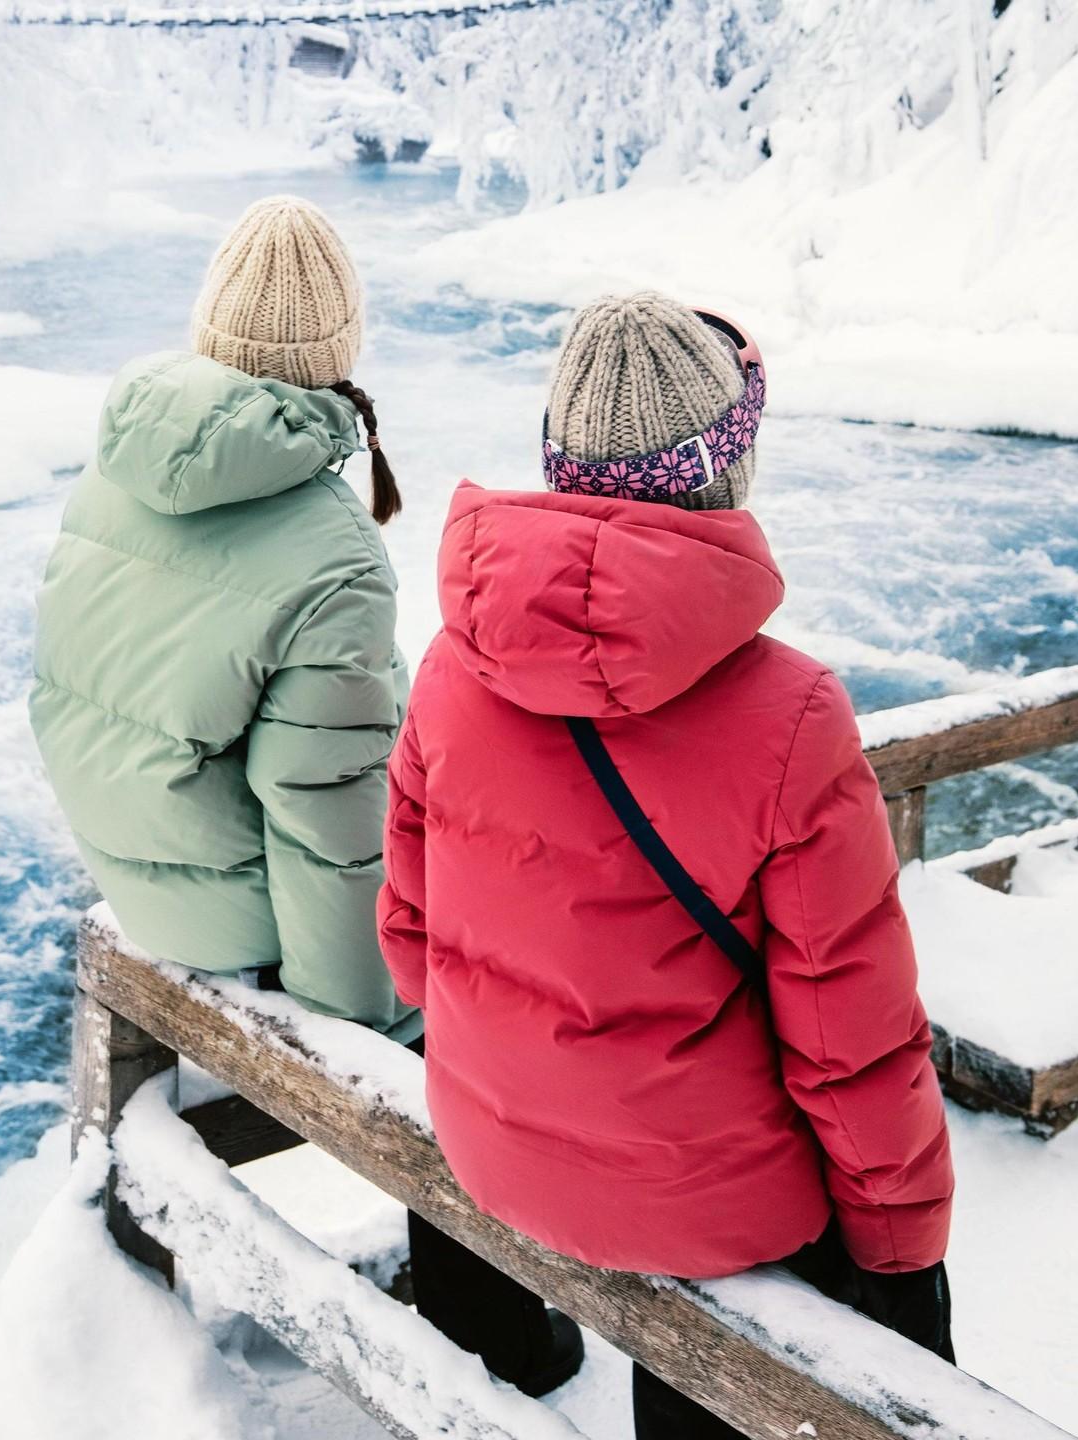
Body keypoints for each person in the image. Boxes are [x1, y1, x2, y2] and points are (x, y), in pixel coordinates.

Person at [30, 195, 582, 1396]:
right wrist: (370, 1016)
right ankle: (497, 1336)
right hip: (236, 914)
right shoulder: (333, 551)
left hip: (132, 860)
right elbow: (327, 823)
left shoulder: (121, 461)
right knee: (464, 1010)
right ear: (339, 353)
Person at [378, 292, 955, 1437]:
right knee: (801, 1268)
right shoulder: (795, 714)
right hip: (706, 1200)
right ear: (725, 470)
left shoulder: (453, 666)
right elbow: (850, 1040)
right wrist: (903, 1257)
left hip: (493, 1143)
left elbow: (408, 942)